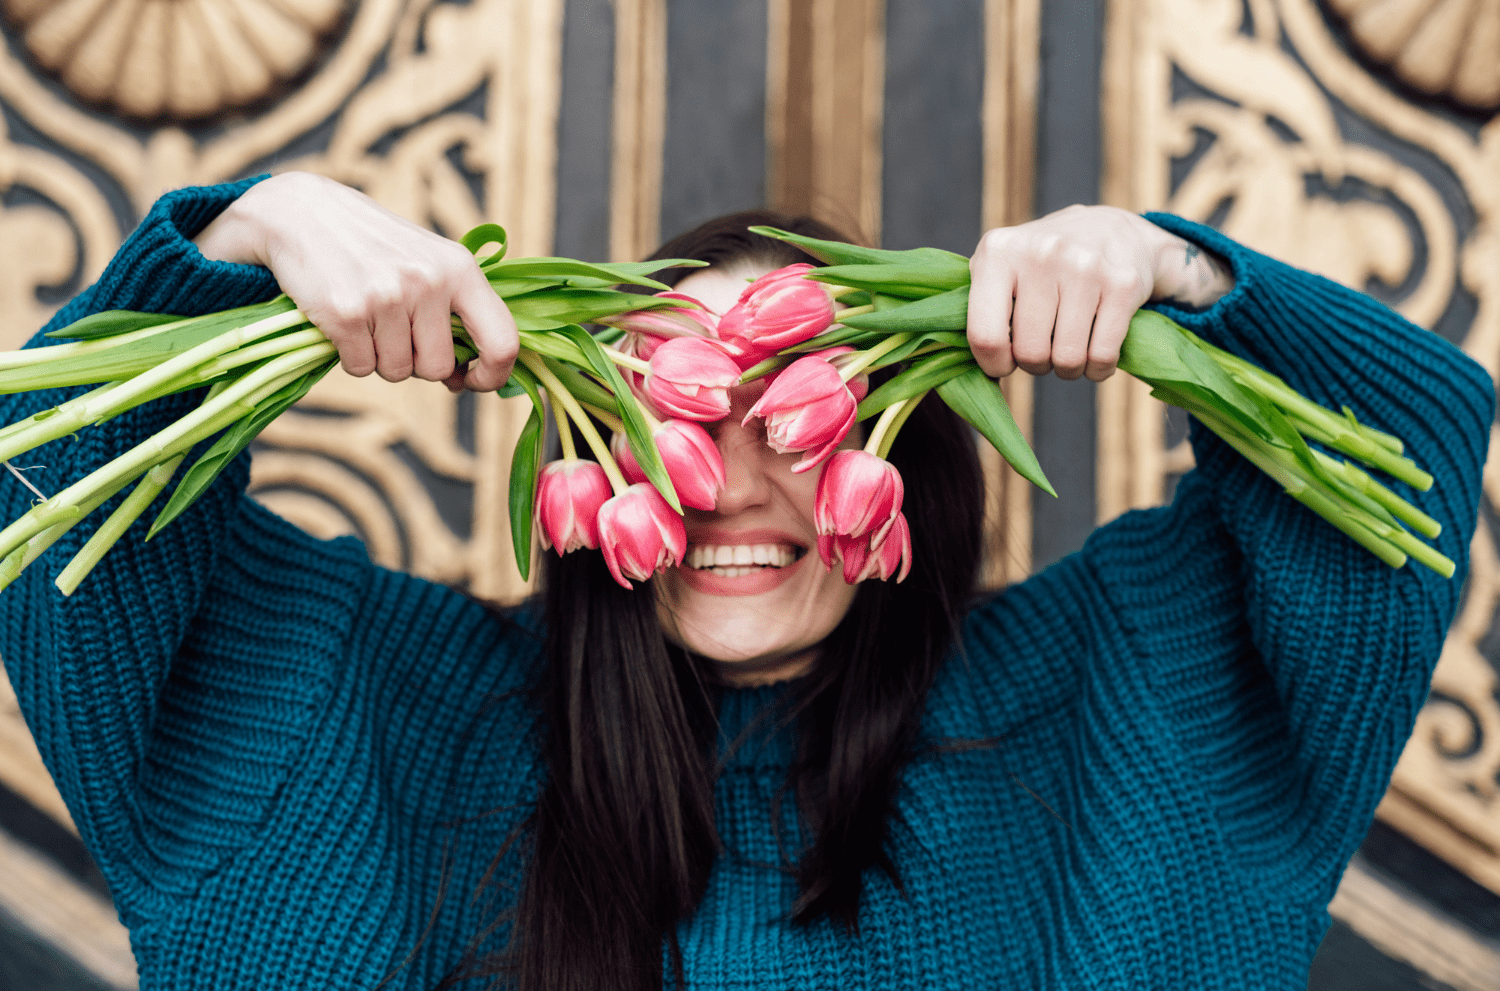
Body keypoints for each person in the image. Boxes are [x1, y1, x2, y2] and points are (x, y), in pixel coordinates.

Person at [0, 170, 1490, 991]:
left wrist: (1179, 279)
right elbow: (50, 507)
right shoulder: (368, 708)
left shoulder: (1128, 705)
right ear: (586, 439)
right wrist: (254, 236)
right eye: (672, 406)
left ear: (907, 453)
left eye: (800, 409)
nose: (728, 475)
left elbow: (1404, 474)